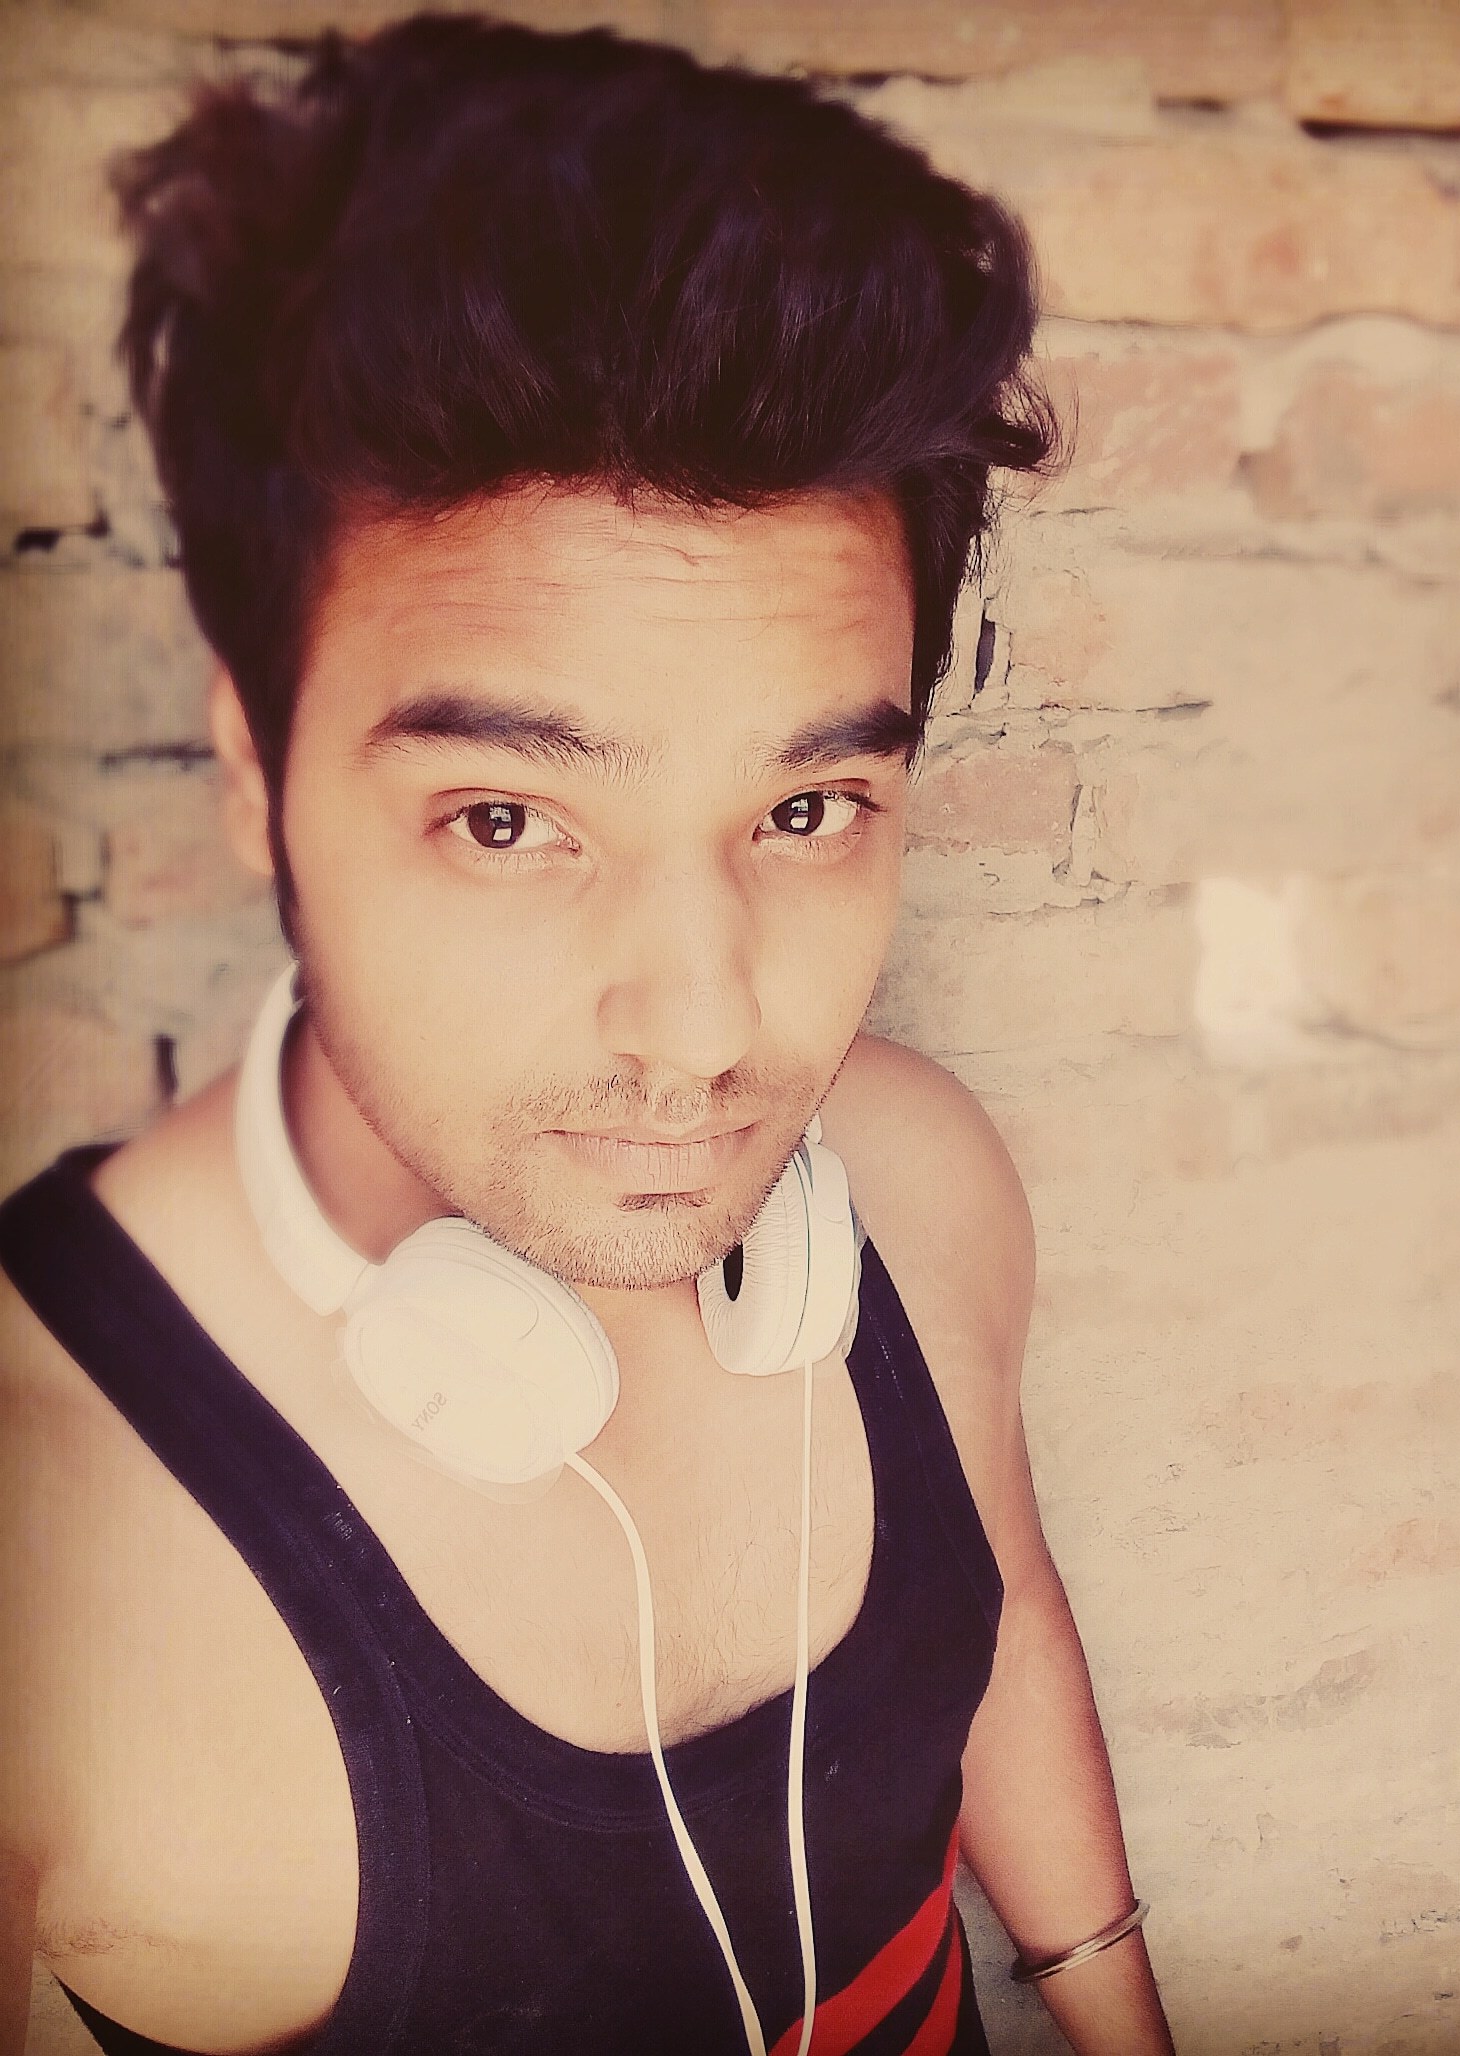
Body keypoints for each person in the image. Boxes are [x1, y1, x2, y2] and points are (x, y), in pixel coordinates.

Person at [0, 16, 1174, 2055]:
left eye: (805, 810)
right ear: (255, 771)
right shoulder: (49, 1536)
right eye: (508, 821)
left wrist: (1115, 2006)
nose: (707, 1031)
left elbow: (990, 1626)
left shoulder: (910, 1185)